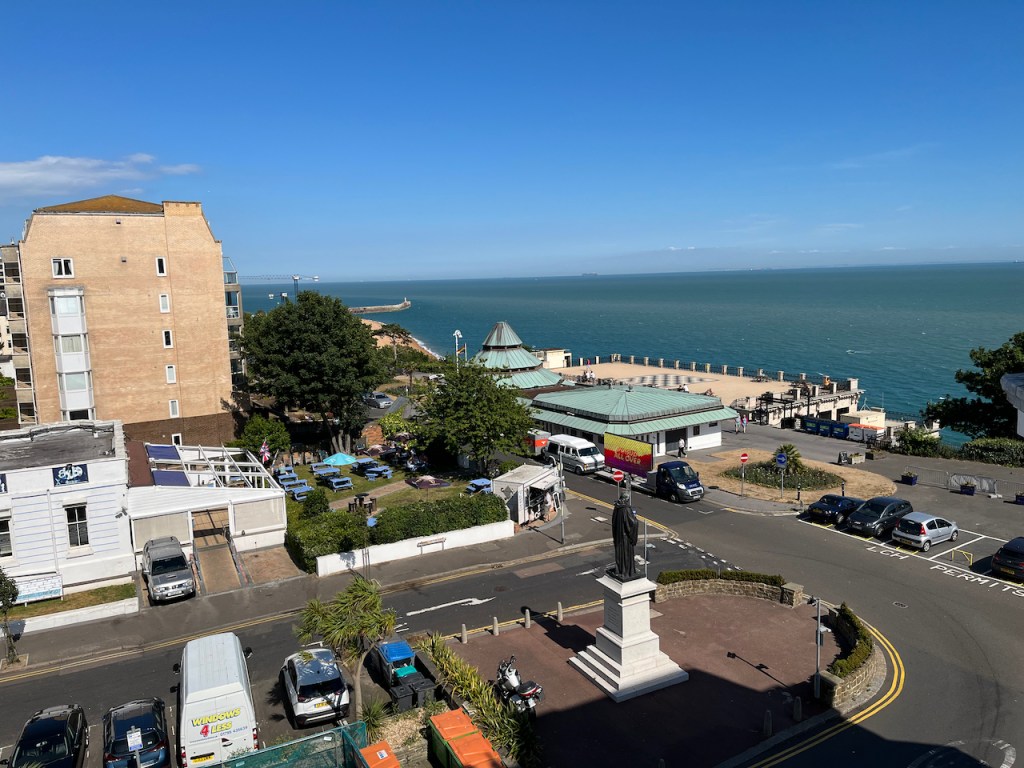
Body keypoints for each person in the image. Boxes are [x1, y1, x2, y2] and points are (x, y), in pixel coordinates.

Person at [611, 494, 639, 580]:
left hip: (618, 536)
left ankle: (620, 570)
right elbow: (631, 523)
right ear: (626, 499)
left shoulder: (617, 507)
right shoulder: (626, 509)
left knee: (620, 554)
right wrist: (636, 520)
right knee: (626, 554)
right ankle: (627, 571)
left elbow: (613, 522)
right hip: (625, 538)